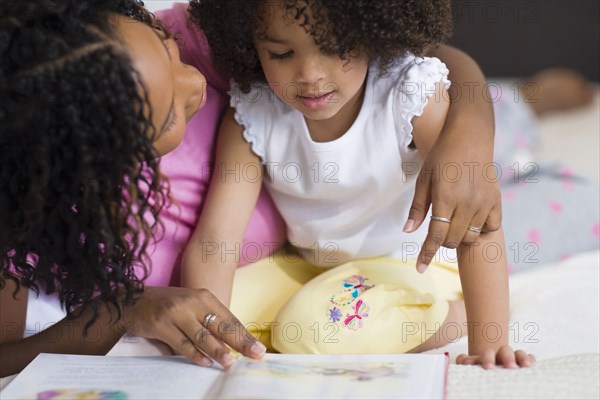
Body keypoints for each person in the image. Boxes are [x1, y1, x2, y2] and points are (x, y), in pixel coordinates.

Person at [181, 0, 535, 368]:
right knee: (215, 313)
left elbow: (473, 211)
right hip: (309, 265)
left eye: (335, 48)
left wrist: (488, 339)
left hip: (409, 266)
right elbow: (215, 241)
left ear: (372, 32)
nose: (309, 73)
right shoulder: (252, 114)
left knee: (306, 333)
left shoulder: (410, 95)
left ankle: (449, 316)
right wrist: (204, 337)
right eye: (281, 53)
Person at [0, 0, 268, 378]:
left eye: (167, 45)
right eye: (168, 118)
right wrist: (119, 312)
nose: (194, 82)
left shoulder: (208, 42)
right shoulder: (29, 222)